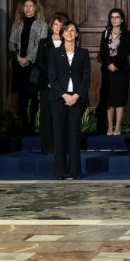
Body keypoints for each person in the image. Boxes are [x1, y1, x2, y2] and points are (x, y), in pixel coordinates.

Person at [47, 20, 90, 180]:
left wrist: (75, 96)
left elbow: (86, 78)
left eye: (72, 31)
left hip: (76, 99)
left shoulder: (83, 53)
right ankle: (60, 172)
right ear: (62, 34)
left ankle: (75, 171)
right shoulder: (54, 53)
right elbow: (52, 77)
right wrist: (64, 96)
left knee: (74, 134)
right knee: (59, 135)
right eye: (66, 31)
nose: (69, 33)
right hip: (58, 99)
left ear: (77, 34)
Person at [9, 0, 47, 135]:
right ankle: (25, 126)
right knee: (22, 97)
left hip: (34, 66)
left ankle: (32, 127)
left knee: (32, 95)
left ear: (36, 8)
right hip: (19, 65)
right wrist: (18, 57)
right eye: (25, 6)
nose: (28, 8)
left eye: (31, 6)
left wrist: (28, 58)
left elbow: (40, 45)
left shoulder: (42, 25)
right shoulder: (17, 24)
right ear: (22, 8)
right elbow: (11, 43)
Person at [33, 13, 68, 155]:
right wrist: (50, 78)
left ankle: (61, 147)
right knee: (46, 116)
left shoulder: (68, 41)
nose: (57, 27)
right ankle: (47, 147)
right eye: (55, 24)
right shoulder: (44, 42)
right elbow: (39, 63)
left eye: (60, 24)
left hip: (64, 86)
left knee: (62, 116)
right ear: (51, 25)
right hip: (46, 85)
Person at [98, 8, 130, 136]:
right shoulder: (106, 33)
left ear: (122, 19)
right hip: (107, 70)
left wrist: (116, 65)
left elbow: (125, 51)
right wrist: (108, 64)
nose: (114, 20)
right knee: (109, 99)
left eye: (117, 17)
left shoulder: (127, 34)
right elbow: (103, 50)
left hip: (121, 70)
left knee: (119, 98)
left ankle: (117, 127)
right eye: (112, 17)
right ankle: (109, 127)